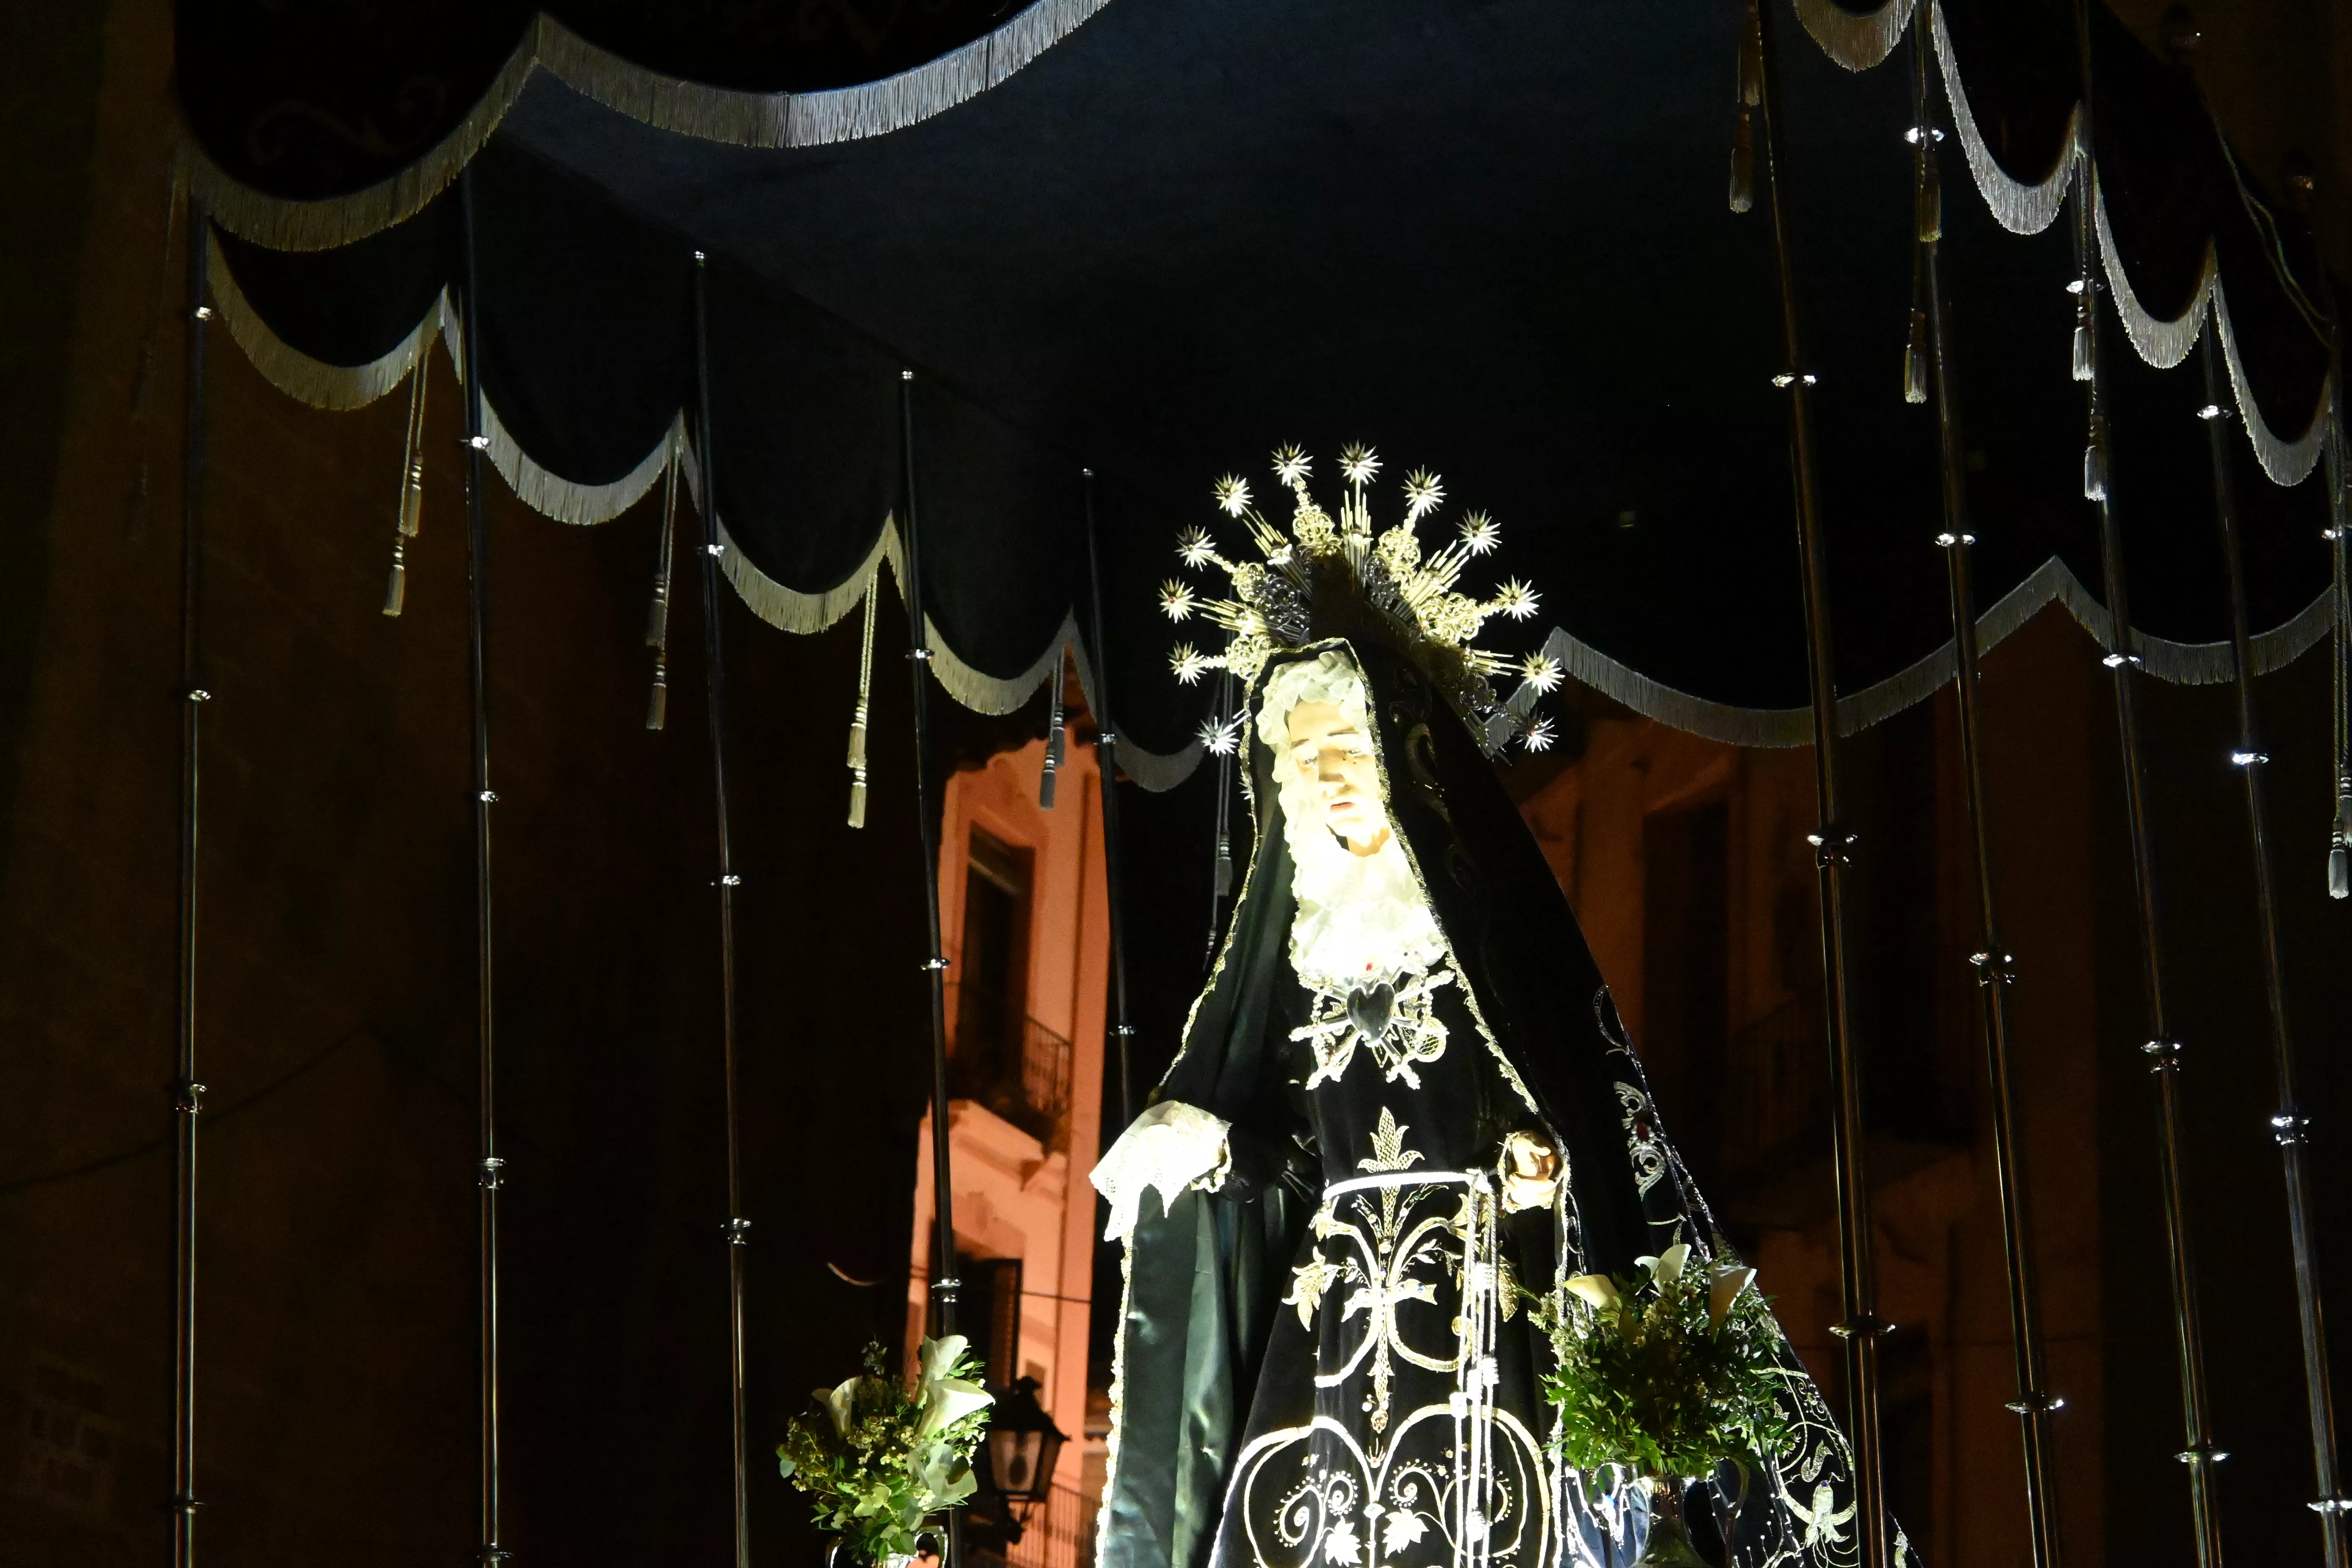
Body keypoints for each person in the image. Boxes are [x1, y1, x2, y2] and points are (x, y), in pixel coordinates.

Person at [1088, 454, 1902, 1568]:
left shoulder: (1485, 947)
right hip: (1333, 1329)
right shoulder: (1299, 956)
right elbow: (1290, 1152)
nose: (1325, 775)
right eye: (1303, 755)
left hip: (1479, 1303)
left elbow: (1572, 1106)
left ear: (1399, 756)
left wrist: (1537, 1173)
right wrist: (1208, 1143)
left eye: (1347, 747)